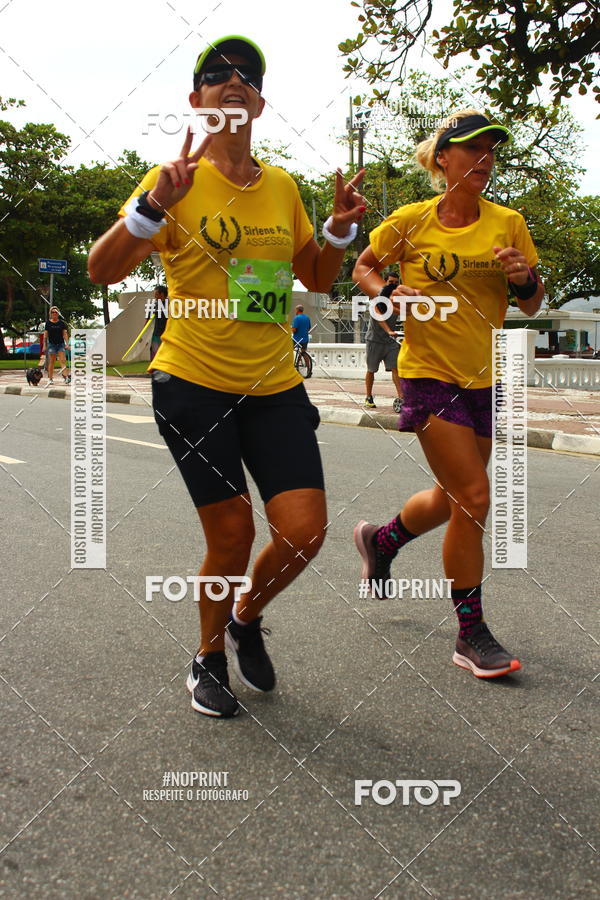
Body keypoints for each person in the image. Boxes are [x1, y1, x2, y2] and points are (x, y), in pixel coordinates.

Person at [88, 35, 365, 718]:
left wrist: (334, 232)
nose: (233, 80)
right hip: (194, 383)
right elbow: (101, 269)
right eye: (217, 74)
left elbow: (314, 278)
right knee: (234, 534)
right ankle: (208, 656)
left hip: (273, 386)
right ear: (197, 100)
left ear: (261, 102)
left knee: (304, 531)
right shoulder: (172, 178)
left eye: (247, 75)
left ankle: (245, 616)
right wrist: (151, 208)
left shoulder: (282, 186)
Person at [352, 110, 544, 678]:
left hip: (486, 378)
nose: (484, 160)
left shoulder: (508, 222)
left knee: (456, 495)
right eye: (472, 149)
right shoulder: (410, 220)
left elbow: (532, 303)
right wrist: (387, 288)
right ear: (443, 159)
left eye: (491, 151)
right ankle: (470, 634)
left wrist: (521, 278)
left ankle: (381, 541)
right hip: (429, 373)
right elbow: (363, 266)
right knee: (475, 498)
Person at [363, 271, 404, 412]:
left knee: (396, 369)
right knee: (371, 370)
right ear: (384, 282)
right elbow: (378, 315)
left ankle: (401, 398)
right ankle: (368, 397)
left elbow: (403, 312)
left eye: (395, 283)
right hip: (374, 340)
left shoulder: (397, 298)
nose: (393, 285)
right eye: (390, 282)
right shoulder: (377, 297)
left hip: (390, 341)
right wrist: (388, 330)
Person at [44, 306, 71, 385]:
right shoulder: (48, 323)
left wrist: (67, 344)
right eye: (53, 312)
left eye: (56, 312)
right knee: (52, 362)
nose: (54, 314)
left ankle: (66, 377)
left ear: (58, 313)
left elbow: (65, 334)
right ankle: (50, 378)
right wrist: (44, 345)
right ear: (50, 314)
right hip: (52, 345)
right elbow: (45, 335)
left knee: (62, 361)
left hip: (60, 344)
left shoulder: (61, 323)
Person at [148, 284, 169, 361]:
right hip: (156, 334)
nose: (155, 296)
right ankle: (155, 369)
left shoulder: (170, 304)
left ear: (162, 294)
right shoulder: (154, 305)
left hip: (167, 334)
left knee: (166, 353)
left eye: (156, 294)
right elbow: (148, 318)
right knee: (154, 353)